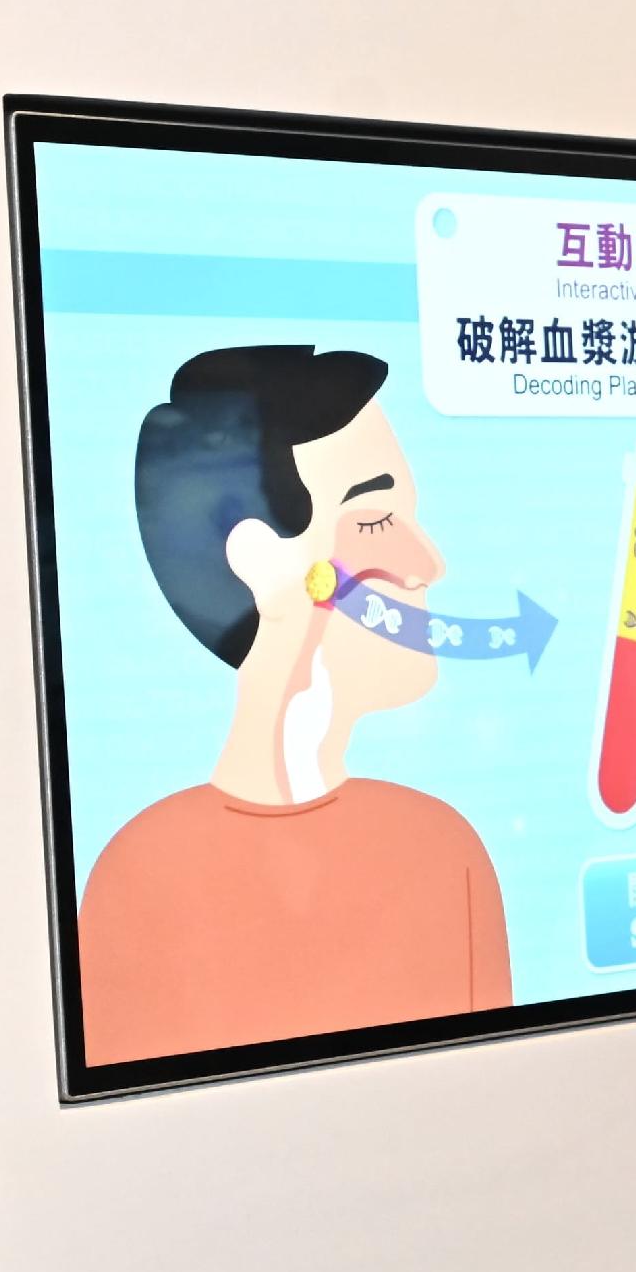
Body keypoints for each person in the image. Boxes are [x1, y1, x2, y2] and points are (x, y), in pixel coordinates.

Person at [78, 345, 509, 1065]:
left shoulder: (447, 852)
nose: (427, 562)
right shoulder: (139, 879)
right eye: (376, 522)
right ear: (264, 564)